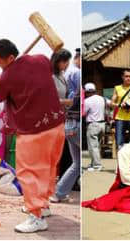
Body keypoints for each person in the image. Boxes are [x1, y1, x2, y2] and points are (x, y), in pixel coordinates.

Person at [0, 39, 65, 233]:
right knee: (48, 167)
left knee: (29, 172)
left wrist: (2, 77)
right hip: (56, 125)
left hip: (34, 132)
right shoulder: (41, 59)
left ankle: (36, 216)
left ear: (11, 57)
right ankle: (43, 205)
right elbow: (45, 70)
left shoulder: (5, 77)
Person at [51, 51, 81, 203]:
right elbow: (50, 99)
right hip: (57, 120)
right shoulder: (52, 77)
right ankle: (55, 191)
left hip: (66, 120)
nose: (67, 64)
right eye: (65, 61)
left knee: (74, 161)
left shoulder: (63, 76)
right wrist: (65, 102)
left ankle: (59, 192)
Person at [83, 82, 110, 171]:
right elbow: (111, 104)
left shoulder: (87, 101)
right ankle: (93, 163)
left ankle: (97, 165)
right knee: (96, 145)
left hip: (93, 124)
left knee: (92, 146)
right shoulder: (103, 99)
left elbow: (83, 113)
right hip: (102, 124)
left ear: (87, 91)